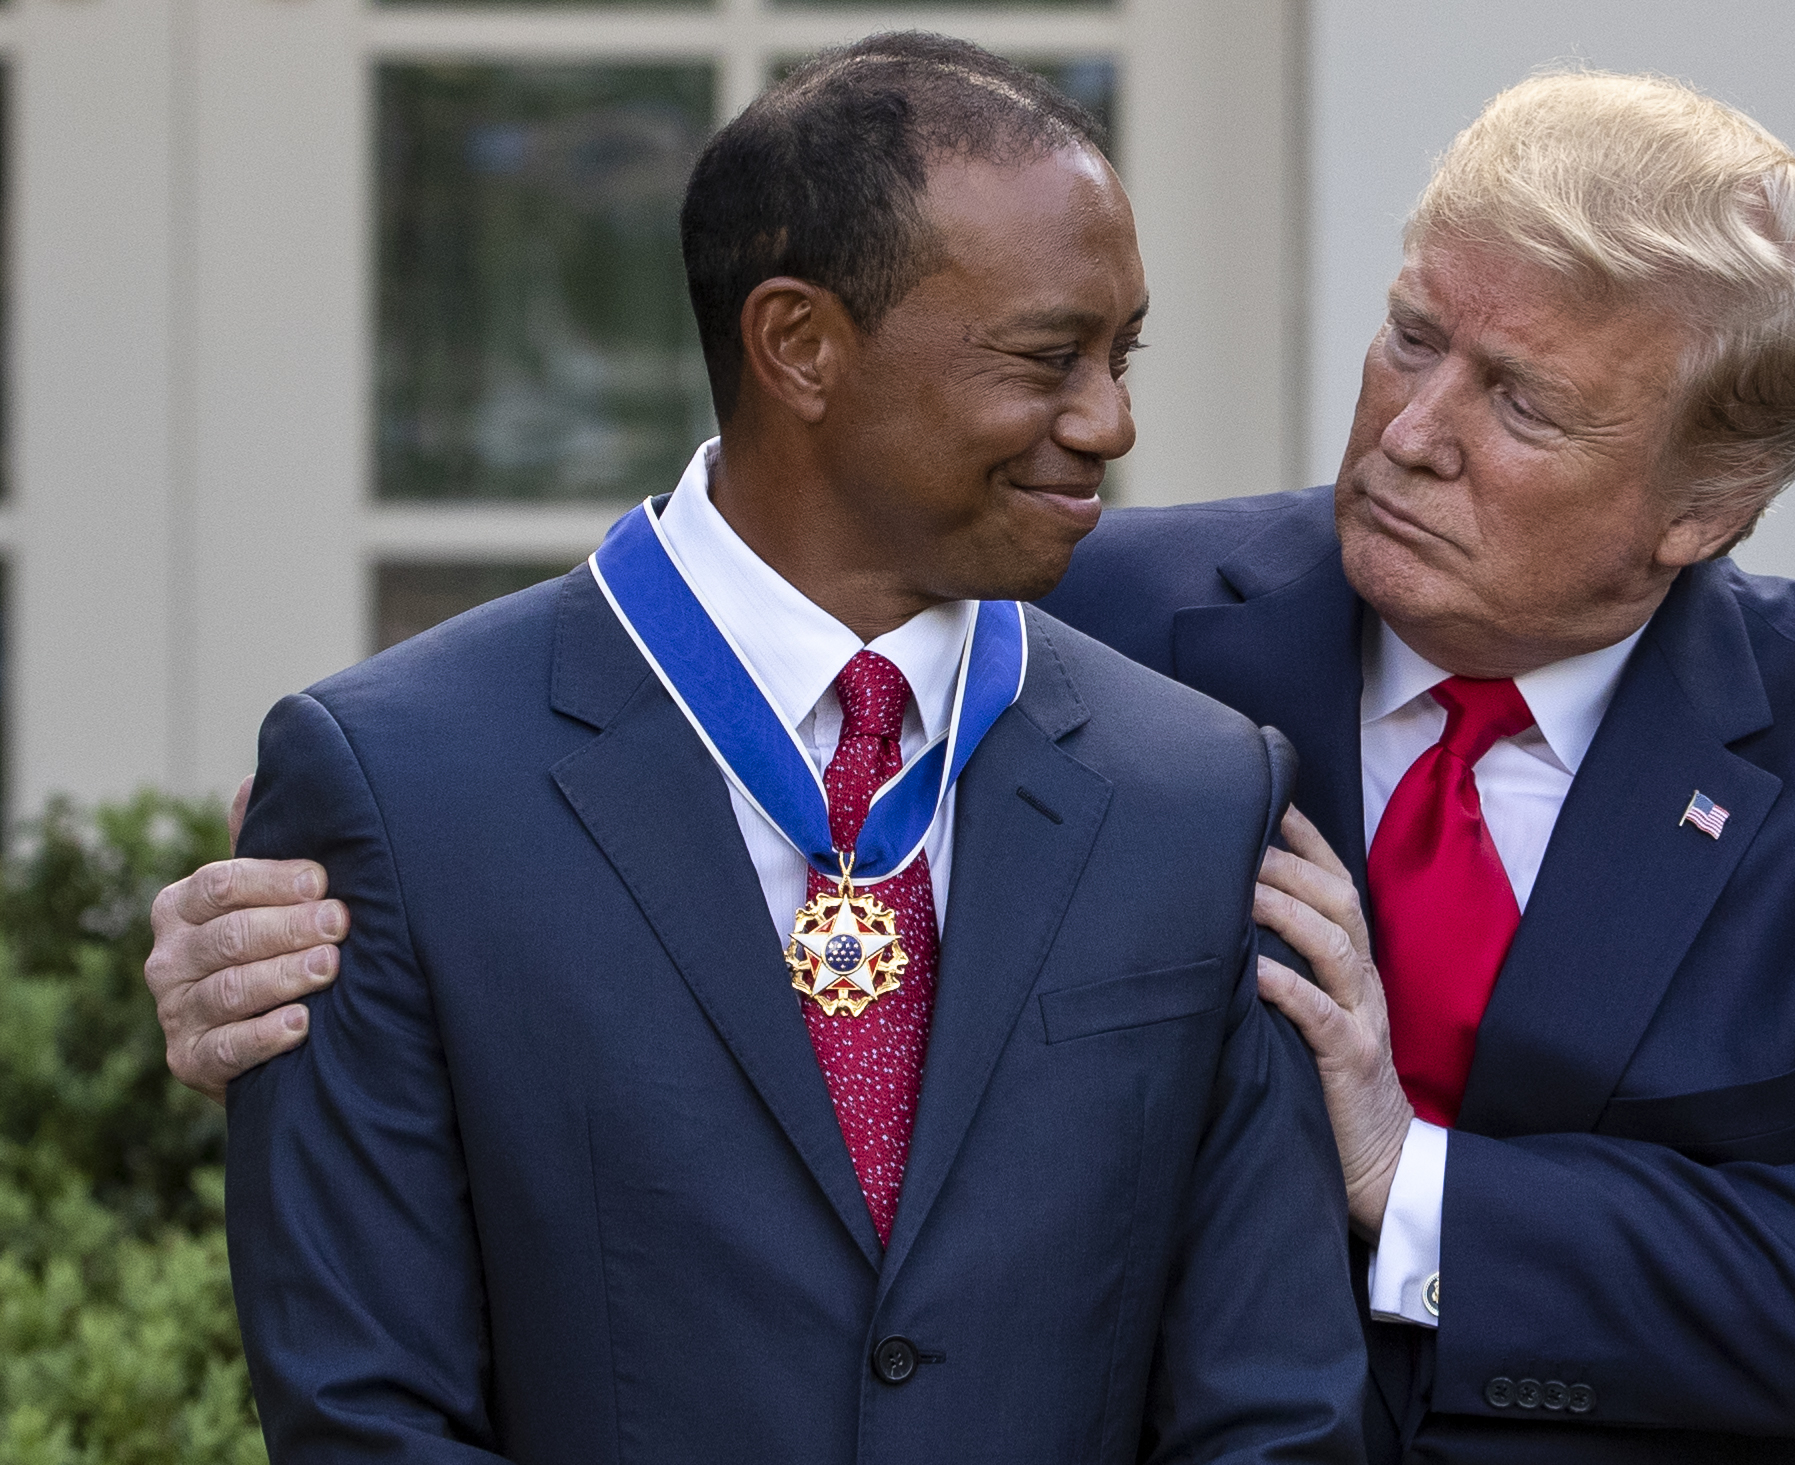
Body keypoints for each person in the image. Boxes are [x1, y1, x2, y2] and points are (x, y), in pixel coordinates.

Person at [151, 68, 1795, 1465]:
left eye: (1522, 405)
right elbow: (745, 592)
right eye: (1411, 338)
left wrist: (1410, 1184)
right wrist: (348, 889)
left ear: (1706, 505)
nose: (1405, 430)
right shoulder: (1092, 614)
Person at [197, 34, 1367, 1464]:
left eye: (1119, 355)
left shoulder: (1197, 788)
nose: (1109, 421)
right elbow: (364, 1413)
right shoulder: (395, 782)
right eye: (1046, 356)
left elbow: (1277, 1415)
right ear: (798, 344)